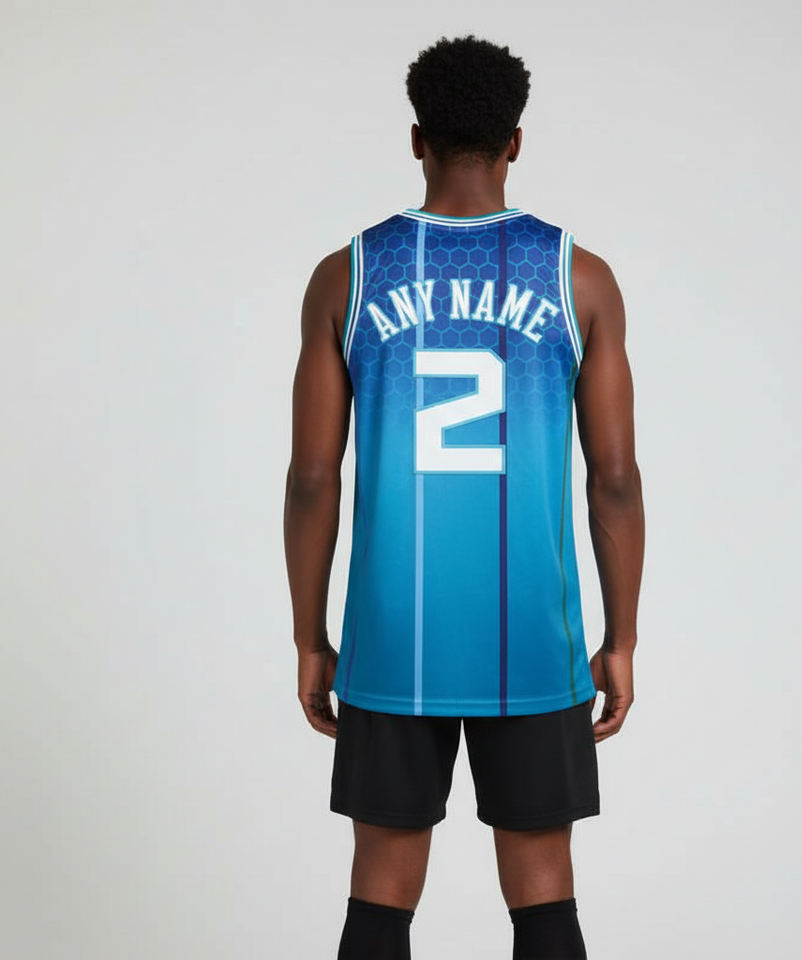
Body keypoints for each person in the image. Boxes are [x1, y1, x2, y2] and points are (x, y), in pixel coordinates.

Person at [284, 35, 644, 960]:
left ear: (417, 139)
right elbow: (613, 479)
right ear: (515, 142)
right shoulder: (578, 277)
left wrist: (310, 636)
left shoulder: (348, 275)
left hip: (392, 635)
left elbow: (313, 479)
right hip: (533, 635)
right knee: (544, 889)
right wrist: (621, 638)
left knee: (379, 889)